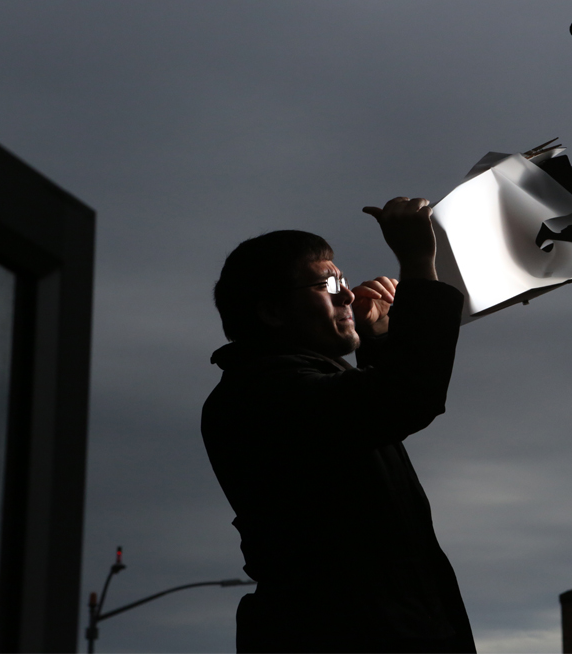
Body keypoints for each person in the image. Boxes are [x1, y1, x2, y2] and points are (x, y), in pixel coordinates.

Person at [201, 197, 475, 653]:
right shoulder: (260, 393)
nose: (347, 294)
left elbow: (374, 411)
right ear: (270, 311)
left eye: (342, 280)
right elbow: (402, 398)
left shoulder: (285, 387)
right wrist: (416, 262)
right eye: (325, 283)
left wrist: (379, 339)